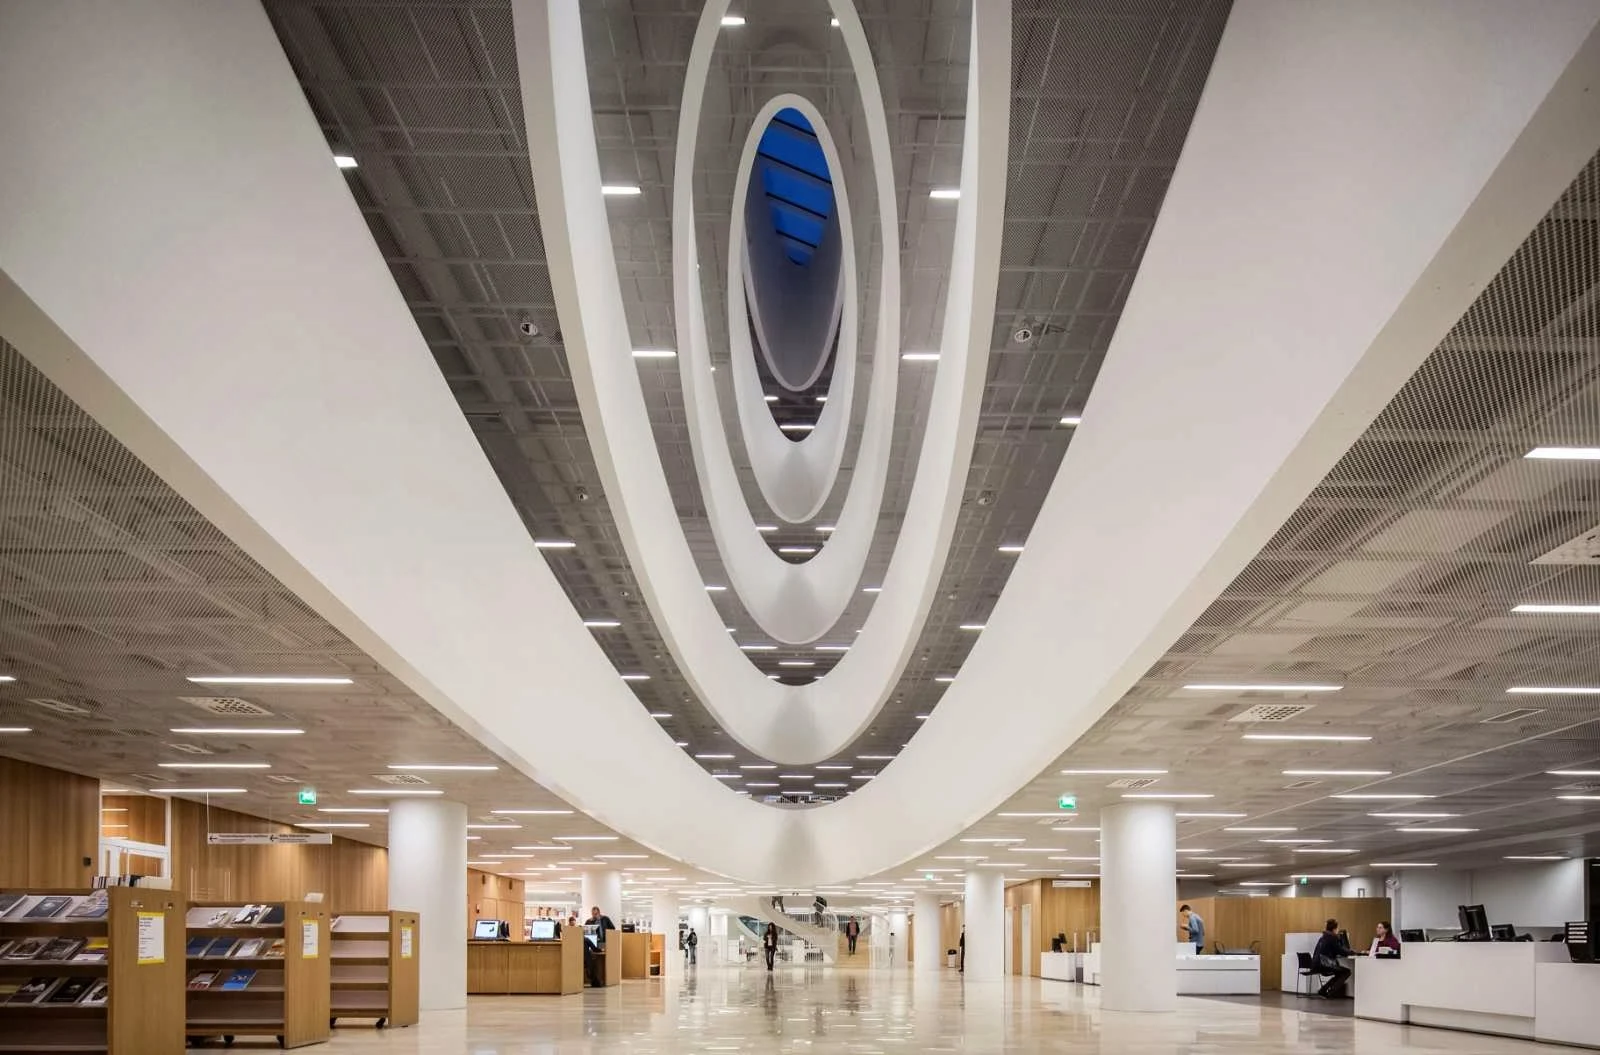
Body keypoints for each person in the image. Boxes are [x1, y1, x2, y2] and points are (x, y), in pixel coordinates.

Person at [1313, 918, 1353, 997]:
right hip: (1324, 965)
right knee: (1346, 972)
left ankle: (1323, 990)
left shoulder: (1323, 937)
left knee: (1339, 973)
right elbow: (1340, 951)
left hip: (1316, 964)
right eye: (1337, 928)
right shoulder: (1332, 937)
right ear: (1334, 929)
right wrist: (1352, 952)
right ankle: (1330, 992)